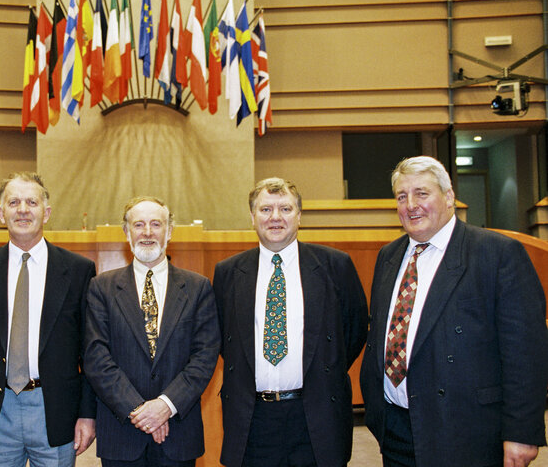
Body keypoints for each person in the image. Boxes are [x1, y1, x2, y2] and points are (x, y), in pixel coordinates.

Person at [359, 155, 548, 467]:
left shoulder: (497, 254)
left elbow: (526, 352)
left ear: (448, 198)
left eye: (422, 193)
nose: (411, 205)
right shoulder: (389, 257)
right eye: (402, 196)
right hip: (395, 430)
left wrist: (522, 431)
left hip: (467, 431)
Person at [213, 177, 368, 467]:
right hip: (252, 418)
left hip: (316, 413)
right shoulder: (228, 273)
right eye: (265, 209)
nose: (275, 218)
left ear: (299, 216)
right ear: (252, 217)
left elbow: (355, 330)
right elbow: (224, 339)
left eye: (285, 209)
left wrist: (323, 367)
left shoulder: (335, 265)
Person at [0, 172, 96, 466]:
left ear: (47, 212)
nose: (23, 210)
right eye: (14, 202)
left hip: (54, 409)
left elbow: (90, 351)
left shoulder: (79, 271)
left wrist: (88, 413)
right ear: (1, 213)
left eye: (32, 202)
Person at [84, 196, 220, 467]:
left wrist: (165, 406)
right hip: (122, 433)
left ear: (169, 231)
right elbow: (96, 357)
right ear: (126, 232)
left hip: (178, 434)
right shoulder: (101, 288)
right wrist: (139, 411)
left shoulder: (198, 288)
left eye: (156, 224)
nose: (147, 232)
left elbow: (204, 357)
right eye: (139, 225)